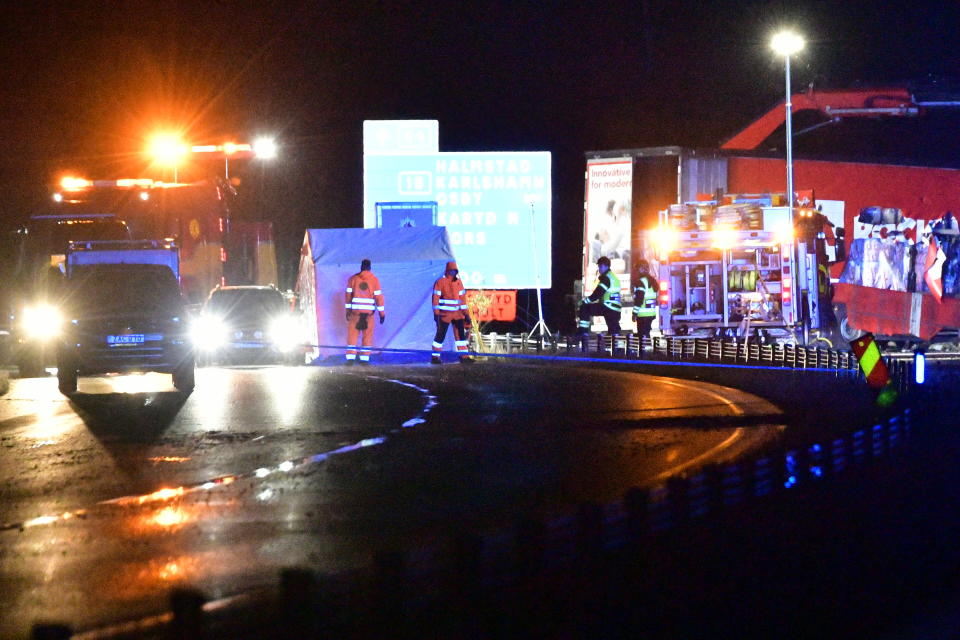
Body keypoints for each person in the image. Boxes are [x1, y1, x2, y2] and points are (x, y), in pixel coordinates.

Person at [344, 258, 384, 364]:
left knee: (352, 336)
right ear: (370, 267)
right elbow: (379, 298)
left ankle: (350, 359)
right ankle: (364, 360)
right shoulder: (375, 280)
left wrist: (347, 311)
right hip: (368, 316)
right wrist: (382, 314)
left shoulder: (352, 279)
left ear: (361, 267)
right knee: (367, 337)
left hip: (355, 314)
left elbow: (348, 297)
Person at [431, 261, 472, 364]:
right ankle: (435, 357)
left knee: (461, 336)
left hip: (457, 314)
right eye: (452, 270)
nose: (453, 273)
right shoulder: (440, 282)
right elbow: (435, 299)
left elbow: (462, 300)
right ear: (448, 270)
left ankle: (464, 356)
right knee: (440, 335)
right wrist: (436, 313)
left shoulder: (459, 283)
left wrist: (466, 314)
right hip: (444, 314)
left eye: (455, 271)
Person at [578, 255, 622, 335]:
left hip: (608, 307)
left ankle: (583, 332)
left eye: (600, 266)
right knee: (613, 330)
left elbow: (597, 293)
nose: (599, 269)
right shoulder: (613, 277)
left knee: (585, 308)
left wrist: (585, 301)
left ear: (605, 266)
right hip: (615, 309)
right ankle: (617, 346)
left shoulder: (606, 278)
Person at [632, 260, 657, 339]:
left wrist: (634, 313)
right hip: (650, 314)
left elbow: (639, 299)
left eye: (637, 269)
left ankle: (645, 350)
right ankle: (646, 349)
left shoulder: (640, 282)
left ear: (641, 269)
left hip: (643, 315)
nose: (636, 271)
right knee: (646, 335)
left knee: (642, 336)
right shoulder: (652, 281)